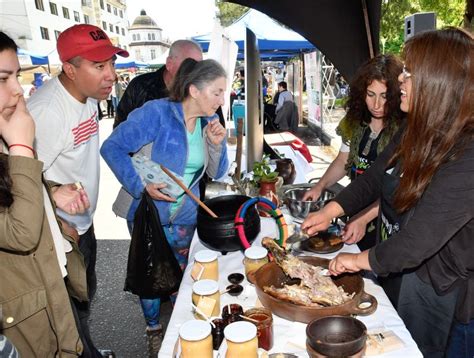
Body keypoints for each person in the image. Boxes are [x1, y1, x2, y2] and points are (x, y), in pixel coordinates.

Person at [302, 28, 474, 357]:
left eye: (410, 73)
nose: (401, 81)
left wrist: (356, 260)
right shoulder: (417, 126)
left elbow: (417, 242)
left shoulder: (468, 155)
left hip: (451, 297)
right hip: (407, 271)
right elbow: (374, 177)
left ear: (437, 81)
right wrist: (330, 210)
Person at [101, 58, 229, 357]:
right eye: (218, 92)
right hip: (149, 214)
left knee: (185, 277)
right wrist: (140, 184)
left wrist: (216, 145)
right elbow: (112, 147)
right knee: (151, 276)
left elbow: (217, 172)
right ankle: (154, 331)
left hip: (185, 215)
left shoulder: (207, 122)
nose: (223, 99)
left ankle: (189, 332)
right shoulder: (157, 113)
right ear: (195, 90)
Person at [27, 24, 129, 358]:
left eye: (112, 64)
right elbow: (20, 182)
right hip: (59, 233)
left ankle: (88, 346)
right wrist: (57, 227)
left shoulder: (86, 97)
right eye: (99, 66)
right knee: (66, 313)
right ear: (70, 69)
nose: (111, 75)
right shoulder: (47, 112)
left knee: (85, 295)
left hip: (82, 223)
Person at [0, 30, 90, 357]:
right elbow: (19, 233)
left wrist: (51, 195)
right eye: (3, 78)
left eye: (16, 76)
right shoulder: (18, 135)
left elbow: (12, 194)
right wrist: (22, 147)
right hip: (25, 320)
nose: (18, 90)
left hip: (48, 283)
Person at [303, 55, 403, 251]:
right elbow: (343, 160)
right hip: (354, 204)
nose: (376, 105)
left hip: (385, 218)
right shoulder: (355, 121)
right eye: (370, 94)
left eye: (384, 96)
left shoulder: (403, 129)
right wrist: (320, 186)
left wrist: (364, 218)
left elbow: (398, 191)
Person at [113, 39, 203, 129]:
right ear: (169, 64)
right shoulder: (140, 86)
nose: (196, 72)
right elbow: (119, 130)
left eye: (199, 66)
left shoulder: (202, 92)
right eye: (190, 65)